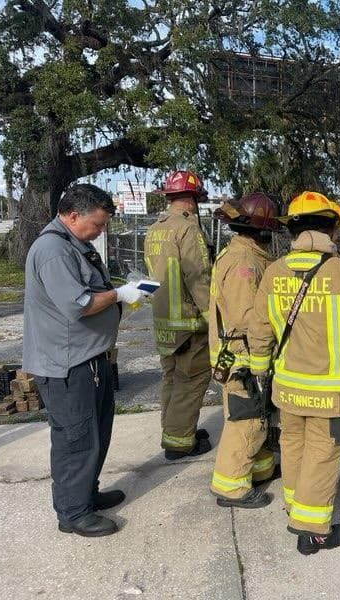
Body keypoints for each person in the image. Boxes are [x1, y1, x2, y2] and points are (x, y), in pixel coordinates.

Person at [248, 191, 340, 555]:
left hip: (288, 388)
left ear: (294, 231)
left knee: (292, 447)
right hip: (331, 392)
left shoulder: (274, 272)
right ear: (331, 229)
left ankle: (295, 505)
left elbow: (260, 329)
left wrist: (260, 368)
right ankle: (312, 530)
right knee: (323, 452)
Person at [23, 184, 147, 537]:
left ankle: (85, 494)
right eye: (97, 224)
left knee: (96, 433)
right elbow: (80, 305)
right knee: (76, 439)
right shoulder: (52, 250)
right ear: (73, 216)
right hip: (67, 365)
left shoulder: (75, 245)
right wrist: (119, 294)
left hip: (89, 358)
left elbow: (92, 292)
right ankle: (73, 513)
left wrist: (124, 294)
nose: (100, 231)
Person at [208, 192, 280, 508]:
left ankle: (260, 469)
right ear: (262, 230)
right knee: (246, 419)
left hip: (237, 352)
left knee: (258, 415)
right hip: (242, 355)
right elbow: (247, 317)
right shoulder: (244, 263)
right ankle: (231, 487)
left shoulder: (244, 254)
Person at [145, 170, 213, 459]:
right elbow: (197, 275)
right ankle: (179, 443)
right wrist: (213, 316)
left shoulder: (154, 229)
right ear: (192, 200)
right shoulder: (188, 229)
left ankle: (174, 430)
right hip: (188, 321)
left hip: (164, 322)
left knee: (171, 379)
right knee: (191, 379)